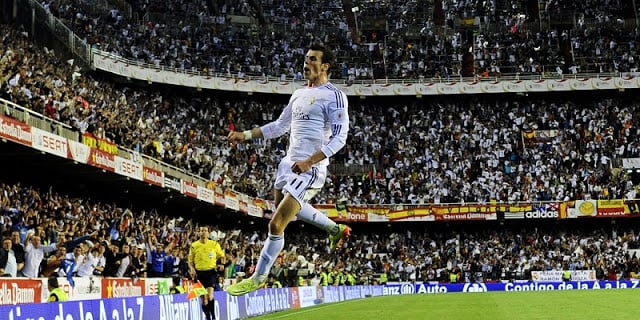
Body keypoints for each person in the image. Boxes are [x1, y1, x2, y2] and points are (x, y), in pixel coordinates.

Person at [227, 42, 351, 296]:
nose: (306, 63)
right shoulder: (297, 94)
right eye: (306, 58)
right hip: (287, 165)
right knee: (282, 218)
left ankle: (259, 277)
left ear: (325, 66)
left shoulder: (334, 95)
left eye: (313, 60)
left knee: (276, 224)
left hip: (310, 168)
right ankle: (335, 228)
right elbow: (279, 126)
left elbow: (340, 138)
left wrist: (310, 162)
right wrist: (246, 135)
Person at [188, 226, 225, 320]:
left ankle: (213, 316)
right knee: (204, 300)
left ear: (208, 233)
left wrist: (222, 264)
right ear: (198, 233)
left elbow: (222, 256)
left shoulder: (214, 244)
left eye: (205, 231)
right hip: (199, 274)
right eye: (201, 231)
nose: (203, 232)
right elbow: (190, 261)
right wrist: (192, 269)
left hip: (211, 273)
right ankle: (207, 316)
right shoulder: (194, 245)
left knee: (209, 296)